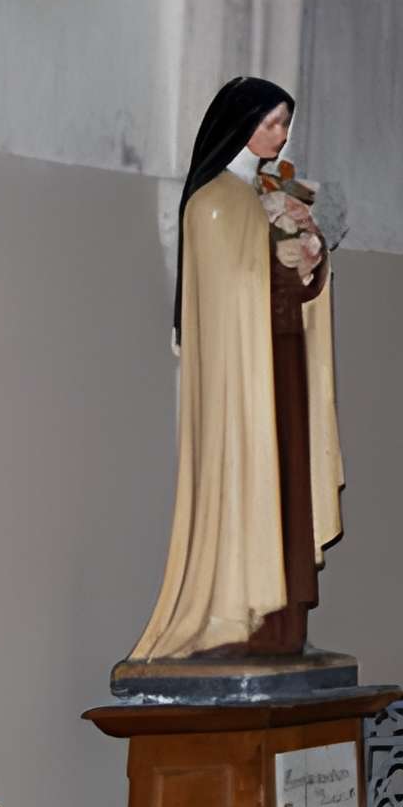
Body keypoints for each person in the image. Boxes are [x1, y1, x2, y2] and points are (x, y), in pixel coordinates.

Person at [129, 77, 343, 662]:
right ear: (241, 123)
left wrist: (311, 258)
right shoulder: (215, 202)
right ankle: (237, 614)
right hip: (242, 376)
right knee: (250, 478)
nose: (280, 134)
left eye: (285, 124)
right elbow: (228, 296)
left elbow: (294, 286)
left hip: (284, 361)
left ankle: (284, 623)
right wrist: (281, 260)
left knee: (289, 486)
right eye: (271, 122)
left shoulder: (269, 196)